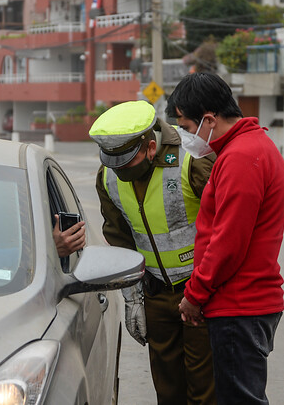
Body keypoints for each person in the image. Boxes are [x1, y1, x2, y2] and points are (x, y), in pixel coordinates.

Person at [170, 72, 284, 405]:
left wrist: (194, 294)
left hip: (240, 305)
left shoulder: (240, 157)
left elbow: (227, 242)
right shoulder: (246, 148)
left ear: (209, 118)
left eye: (188, 127)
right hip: (241, 304)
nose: (187, 136)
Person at [88, 100, 216, 405]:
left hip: (201, 293)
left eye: (125, 164)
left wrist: (204, 290)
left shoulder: (193, 159)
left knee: (204, 389)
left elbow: (225, 230)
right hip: (156, 294)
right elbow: (119, 238)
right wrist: (133, 297)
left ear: (149, 147)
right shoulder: (108, 177)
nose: (118, 172)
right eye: (113, 164)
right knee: (168, 390)